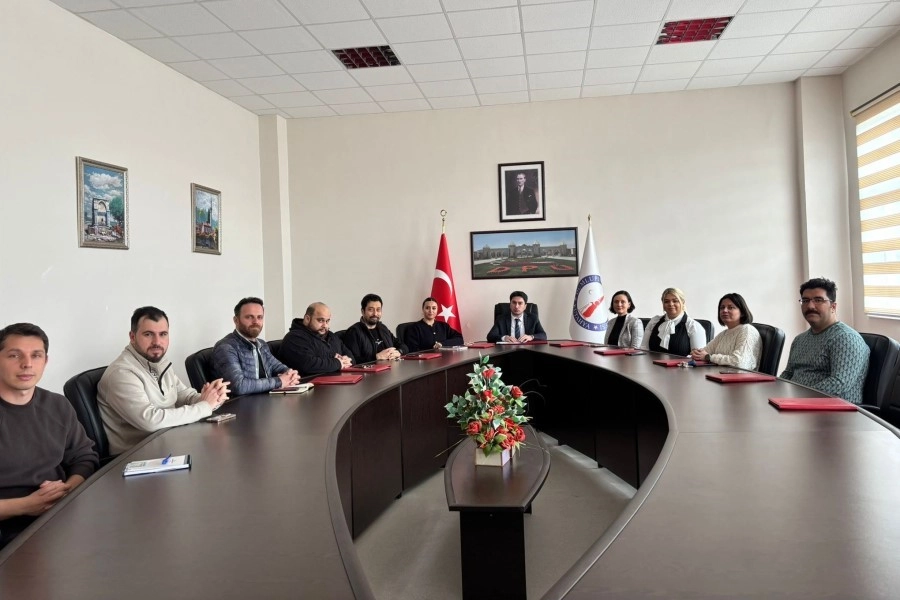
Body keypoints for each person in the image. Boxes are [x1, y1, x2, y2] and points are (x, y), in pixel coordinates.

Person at [0, 323, 98, 550]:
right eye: (14, 355)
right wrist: (26, 506)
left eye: (36, 355)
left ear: (45, 361)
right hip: (9, 528)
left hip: (58, 514)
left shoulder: (58, 405)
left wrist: (67, 489)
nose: (27, 364)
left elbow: (84, 457)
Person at [98, 306, 231, 455]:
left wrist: (212, 396)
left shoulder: (160, 363)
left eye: (163, 334)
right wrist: (204, 406)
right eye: (148, 334)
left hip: (169, 444)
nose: (157, 342)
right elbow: (151, 420)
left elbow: (184, 396)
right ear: (132, 337)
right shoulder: (121, 373)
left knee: (224, 450)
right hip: (137, 457)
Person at [780, 278, 870, 404]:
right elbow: (788, 373)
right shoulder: (799, 339)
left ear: (833, 306)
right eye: (805, 300)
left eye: (818, 300)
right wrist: (776, 392)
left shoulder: (845, 338)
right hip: (797, 404)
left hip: (831, 409)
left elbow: (839, 383)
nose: (810, 306)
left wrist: (797, 398)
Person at [213, 297, 299, 396]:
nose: (255, 321)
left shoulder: (262, 344)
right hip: (242, 403)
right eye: (249, 317)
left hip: (266, 399)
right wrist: (279, 381)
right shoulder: (226, 347)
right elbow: (238, 386)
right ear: (236, 320)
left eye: (259, 317)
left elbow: (278, 367)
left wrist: (290, 374)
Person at [690, 293, 762, 370]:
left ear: (742, 312)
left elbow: (740, 362)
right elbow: (705, 352)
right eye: (722, 308)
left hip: (740, 376)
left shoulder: (747, 330)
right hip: (719, 374)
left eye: (730, 307)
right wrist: (696, 353)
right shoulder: (724, 334)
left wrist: (708, 357)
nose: (724, 310)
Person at [281, 302, 354, 375]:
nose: (325, 325)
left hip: (336, 379)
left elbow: (351, 357)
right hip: (308, 381)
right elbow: (308, 365)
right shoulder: (294, 338)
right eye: (321, 320)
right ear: (307, 319)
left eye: (327, 321)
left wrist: (347, 360)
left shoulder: (332, 336)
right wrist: (338, 363)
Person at [641, 287, 707, 356]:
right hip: (651, 363)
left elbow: (697, 357)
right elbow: (644, 349)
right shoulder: (654, 321)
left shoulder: (693, 326)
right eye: (666, 301)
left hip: (682, 363)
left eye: (675, 301)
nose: (671, 304)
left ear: (683, 302)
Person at [343, 294, 408, 363]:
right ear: (363, 311)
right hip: (371, 369)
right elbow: (352, 360)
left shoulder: (383, 328)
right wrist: (377, 357)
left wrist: (399, 352)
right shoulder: (354, 332)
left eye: (378, 310)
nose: (375, 314)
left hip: (391, 366)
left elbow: (403, 346)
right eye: (371, 310)